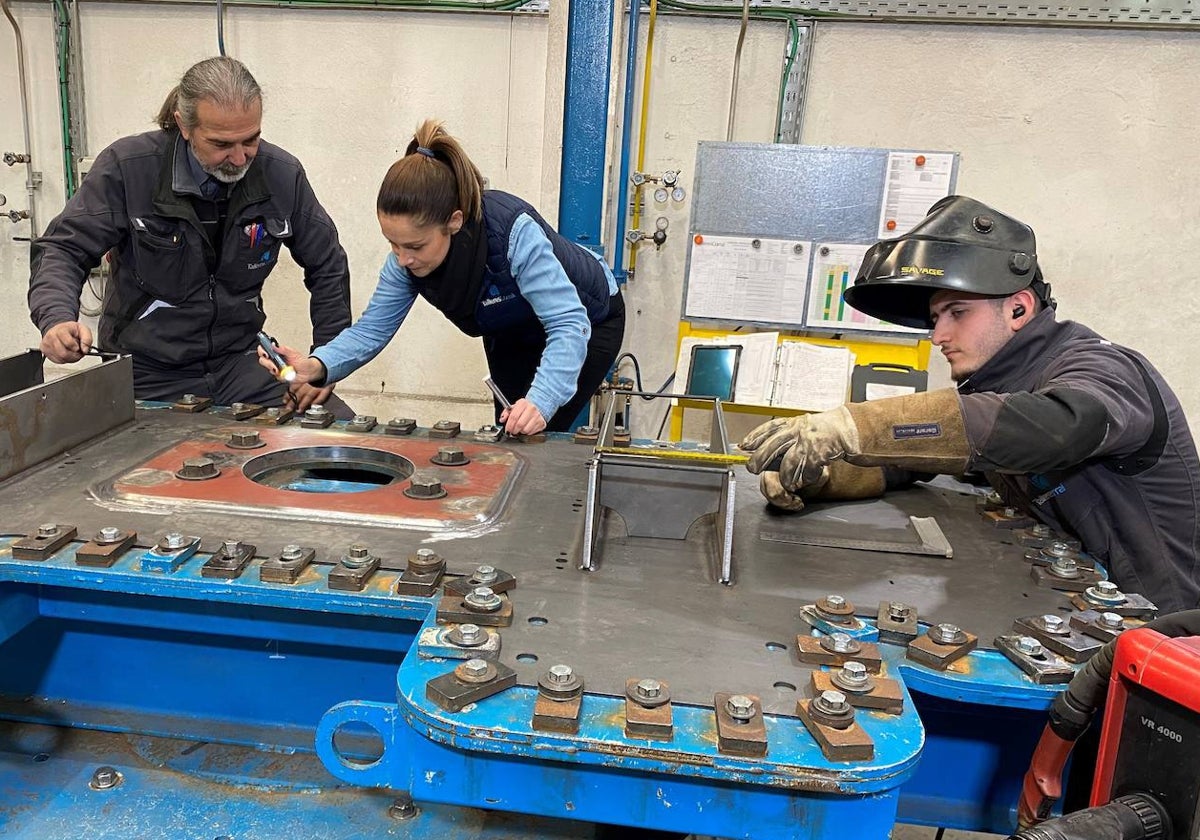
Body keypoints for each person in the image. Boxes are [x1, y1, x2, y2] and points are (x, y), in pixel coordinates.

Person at [740, 195, 1200, 613]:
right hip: (1074, 611)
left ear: (1018, 309)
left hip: (1161, 638)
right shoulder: (999, 382)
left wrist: (852, 426)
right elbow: (930, 458)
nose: (939, 336)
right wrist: (828, 471)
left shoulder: (1100, 366)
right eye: (936, 319)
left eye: (957, 313)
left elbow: (1058, 425)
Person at [28, 56, 354, 416]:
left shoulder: (281, 175)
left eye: (251, 140)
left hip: (241, 364)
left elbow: (327, 265)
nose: (240, 157)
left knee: (344, 437)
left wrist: (326, 361)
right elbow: (63, 249)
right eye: (221, 144)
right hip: (146, 371)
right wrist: (56, 318)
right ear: (184, 126)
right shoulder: (129, 168)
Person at [260, 120, 625, 435]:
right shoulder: (405, 262)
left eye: (415, 246)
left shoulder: (513, 234)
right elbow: (371, 331)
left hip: (588, 318)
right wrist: (317, 365)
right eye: (393, 244)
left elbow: (566, 324)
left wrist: (542, 403)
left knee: (539, 427)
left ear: (454, 221)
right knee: (509, 425)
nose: (402, 258)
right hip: (512, 326)